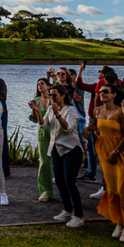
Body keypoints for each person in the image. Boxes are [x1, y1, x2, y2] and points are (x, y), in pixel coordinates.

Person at [87, 83, 124, 243]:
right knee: (113, 188)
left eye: (105, 92)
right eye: (101, 92)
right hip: (105, 152)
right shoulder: (97, 110)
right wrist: (88, 130)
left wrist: (116, 151)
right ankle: (118, 220)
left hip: (121, 152)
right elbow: (97, 127)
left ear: (114, 95)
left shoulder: (121, 112)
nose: (101, 94)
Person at [36, 84, 84, 228]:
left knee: (70, 182)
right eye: (50, 95)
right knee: (60, 182)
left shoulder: (71, 111)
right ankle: (68, 210)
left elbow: (68, 128)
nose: (52, 98)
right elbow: (43, 125)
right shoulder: (50, 109)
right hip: (57, 149)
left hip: (71, 149)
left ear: (63, 95)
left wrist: (58, 114)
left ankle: (79, 216)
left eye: (54, 95)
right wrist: (38, 111)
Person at [29, 77, 55, 202]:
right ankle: (45, 190)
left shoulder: (54, 99)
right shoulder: (37, 100)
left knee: (60, 163)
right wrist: (35, 109)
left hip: (56, 132)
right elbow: (35, 119)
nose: (40, 86)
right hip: (43, 133)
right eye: (38, 84)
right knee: (44, 163)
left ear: (49, 86)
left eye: (42, 83)